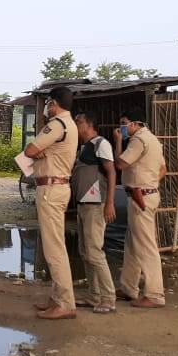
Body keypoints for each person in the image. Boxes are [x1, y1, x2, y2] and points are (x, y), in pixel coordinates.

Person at [24, 86, 80, 320]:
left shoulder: (57, 125)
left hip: (51, 189)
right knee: (55, 246)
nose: (46, 107)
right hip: (57, 187)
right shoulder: (70, 125)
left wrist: (35, 150)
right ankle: (58, 297)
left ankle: (65, 302)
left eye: (48, 103)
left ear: (54, 103)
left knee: (54, 248)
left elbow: (30, 149)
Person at [112, 108, 167, 308]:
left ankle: (154, 294)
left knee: (145, 245)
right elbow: (163, 169)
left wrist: (118, 141)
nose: (122, 128)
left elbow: (120, 164)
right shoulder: (153, 140)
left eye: (124, 123)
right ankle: (129, 287)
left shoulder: (138, 140)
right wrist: (150, 183)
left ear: (135, 123)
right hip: (147, 195)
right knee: (133, 244)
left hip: (140, 197)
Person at [72, 112, 117, 314]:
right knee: (85, 251)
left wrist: (110, 203)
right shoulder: (83, 147)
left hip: (96, 204)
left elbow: (111, 172)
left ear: (90, 124)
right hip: (84, 203)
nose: (76, 124)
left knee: (94, 252)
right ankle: (94, 295)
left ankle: (108, 298)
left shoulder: (101, 144)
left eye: (79, 121)